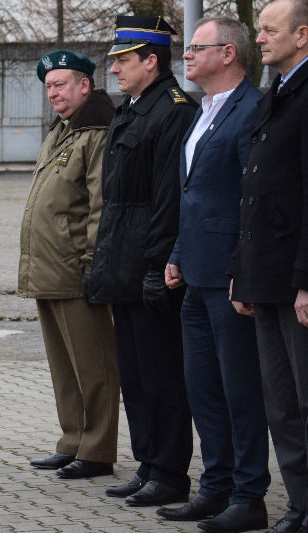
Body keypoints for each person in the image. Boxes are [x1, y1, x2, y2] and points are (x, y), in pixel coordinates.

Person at [159, 17, 270, 533]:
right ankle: (215, 486)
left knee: (238, 389)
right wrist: (178, 252)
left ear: (228, 53)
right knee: (202, 386)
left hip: (229, 278)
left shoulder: (251, 110)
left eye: (195, 48)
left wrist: (240, 270)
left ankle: (249, 495)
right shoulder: (202, 112)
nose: (185, 56)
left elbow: (252, 200)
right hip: (195, 275)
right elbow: (193, 194)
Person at [86, 15, 197, 506]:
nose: (115, 70)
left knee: (162, 377)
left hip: (150, 267)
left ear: (152, 61)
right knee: (134, 377)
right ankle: (147, 462)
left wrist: (156, 266)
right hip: (124, 266)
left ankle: (170, 471)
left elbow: (166, 200)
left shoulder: (172, 111)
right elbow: (115, 204)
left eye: (124, 61)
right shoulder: (132, 110)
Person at [19, 50, 120, 479]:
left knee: (92, 365)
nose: (53, 94)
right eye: (48, 87)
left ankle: (96, 450)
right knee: (64, 366)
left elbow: (99, 205)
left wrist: (93, 264)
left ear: (85, 85)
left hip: (77, 269)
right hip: (49, 267)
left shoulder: (96, 133)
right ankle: (73, 439)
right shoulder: (62, 131)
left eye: (61, 85)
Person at [229, 0, 308, 531]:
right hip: (268, 275)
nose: (259, 38)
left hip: (298, 279)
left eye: (269, 30)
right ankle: (300, 505)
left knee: (305, 401)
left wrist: (306, 281)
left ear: (303, 35)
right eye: (257, 29)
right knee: (280, 403)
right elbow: (255, 192)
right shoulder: (276, 93)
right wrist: (244, 271)